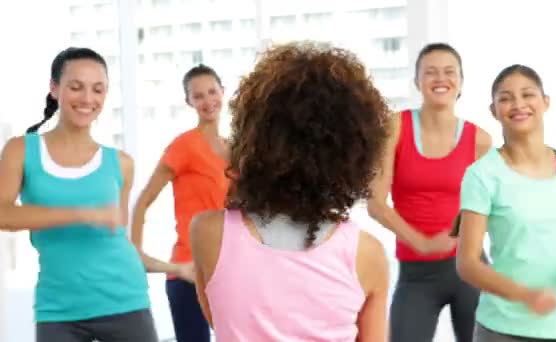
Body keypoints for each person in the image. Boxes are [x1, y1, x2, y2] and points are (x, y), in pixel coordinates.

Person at [189, 42, 390, 341]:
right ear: (353, 152)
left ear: (253, 139)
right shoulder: (367, 255)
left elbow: (222, 323)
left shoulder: (207, 233)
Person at [0, 47, 158, 342]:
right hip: (58, 308)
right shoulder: (21, 150)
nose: (88, 99)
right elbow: (3, 214)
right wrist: (81, 212)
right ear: (54, 88)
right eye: (76, 87)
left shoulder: (121, 163)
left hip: (125, 299)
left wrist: (172, 267)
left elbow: (120, 236)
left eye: (98, 90)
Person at [456, 64, 556, 342]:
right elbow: (467, 263)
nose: (518, 104)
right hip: (502, 330)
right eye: (505, 98)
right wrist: (526, 296)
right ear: (494, 111)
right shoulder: (481, 175)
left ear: (545, 102)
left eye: (527, 94)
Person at [368, 42, 493, 342]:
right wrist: (421, 243)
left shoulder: (480, 140)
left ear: (460, 82)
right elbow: (375, 203)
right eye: (431, 72)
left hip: (469, 267)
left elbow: (490, 206)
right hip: (415, 274)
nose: (441, 79)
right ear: (417, 81)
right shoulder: (395, 127)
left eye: (449, 72)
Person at [131, 64, 229, 342]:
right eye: (198, 96)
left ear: (223, 92)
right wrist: (137, 255)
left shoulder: (237, 149)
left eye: (212, 91)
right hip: (189, 272)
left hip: (228, 268)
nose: (207, 100)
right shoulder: (183, 146)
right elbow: (143, 200)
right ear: (189, 102)